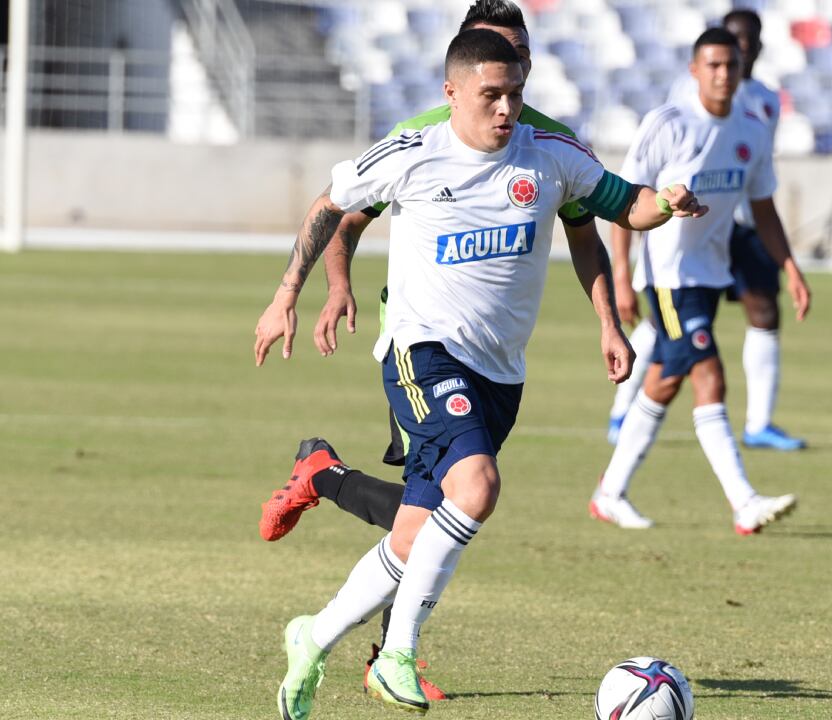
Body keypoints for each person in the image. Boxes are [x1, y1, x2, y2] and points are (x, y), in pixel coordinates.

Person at [253, 28, 706, 719]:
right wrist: (289, 294)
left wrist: (667, 203)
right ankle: (395, 655)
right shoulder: (413, 150)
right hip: (421, 350)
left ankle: (312, 637)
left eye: (515, 94)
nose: (505, 109)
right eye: (491, 95)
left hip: (501, 375)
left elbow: (625, 204)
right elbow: (331, 208)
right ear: (453, 93)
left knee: (413, 538)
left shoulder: (551, 154)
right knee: (478, 485)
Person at [589, 27, 811, 534]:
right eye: (712, 65)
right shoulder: (668, 124)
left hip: (711, 275)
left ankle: (610, 492)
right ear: (694, 70)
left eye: (730, 66)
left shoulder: (750, 130)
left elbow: (763, 207)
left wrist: (791, 268)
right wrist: (622, 275)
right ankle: (744, 501)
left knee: (665, 381)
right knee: (709, 373)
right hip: (667, 278)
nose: (722, 75)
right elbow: (619, 200)